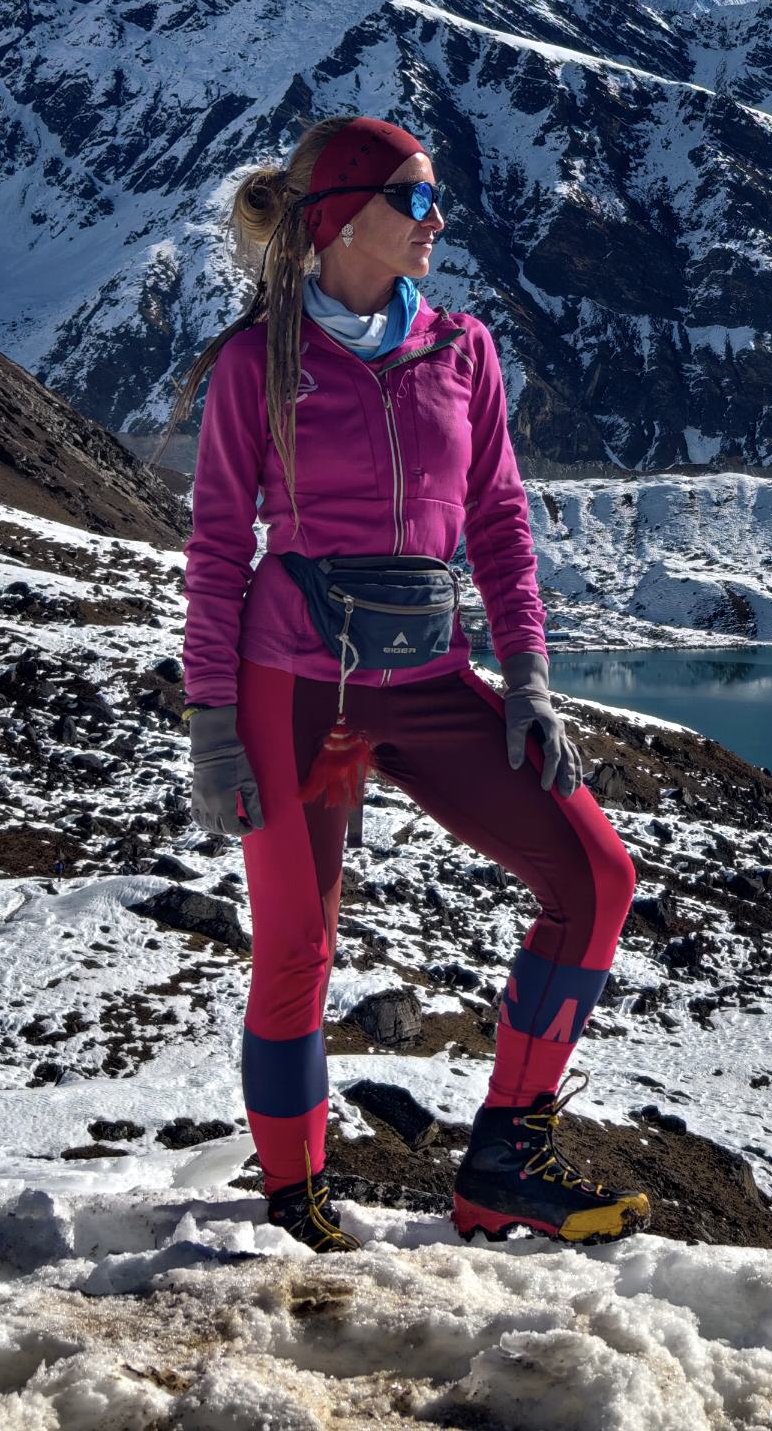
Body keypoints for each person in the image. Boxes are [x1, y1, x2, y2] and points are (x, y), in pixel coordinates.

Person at [157, 113, 647, 1254]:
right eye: (416, 199)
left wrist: (527, 677)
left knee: (598, 877)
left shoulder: (462, 347)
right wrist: (211, 723)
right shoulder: (257, 358)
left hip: (434, 676)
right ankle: (295, 1197)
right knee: (297, 944)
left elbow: (498, 520)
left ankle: (504, 1163)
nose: (438, 219)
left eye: (434, 198)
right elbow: (219, 545)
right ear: (340, 217)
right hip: (294, 687)